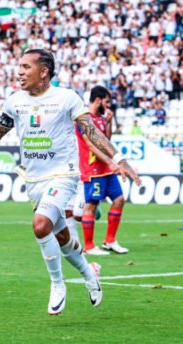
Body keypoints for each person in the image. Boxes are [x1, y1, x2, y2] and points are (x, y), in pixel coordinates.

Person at [0, 49, 141, 315]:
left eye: (26, 67)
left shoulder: (66, 98)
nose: (20, 72)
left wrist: (120, 159)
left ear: (44, 72)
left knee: (40, 225)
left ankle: (57, 284)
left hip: (64, 173)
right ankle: (90, 273)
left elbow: (90, 130)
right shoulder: (15, 101)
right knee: (61, 235)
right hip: (34, 178)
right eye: (19, 66)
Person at [78, 86, 130, 255]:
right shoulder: (83, 119)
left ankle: (110, 240)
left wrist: (109, 121)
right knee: (91, 205)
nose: (108, 106)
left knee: (119, 199)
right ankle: (89, 245)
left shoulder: (100, 118)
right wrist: (112, 162)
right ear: (98, 100)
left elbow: (106, 141)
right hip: (92, 168)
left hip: (106, 169)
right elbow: (91, 145)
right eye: (106, 102)